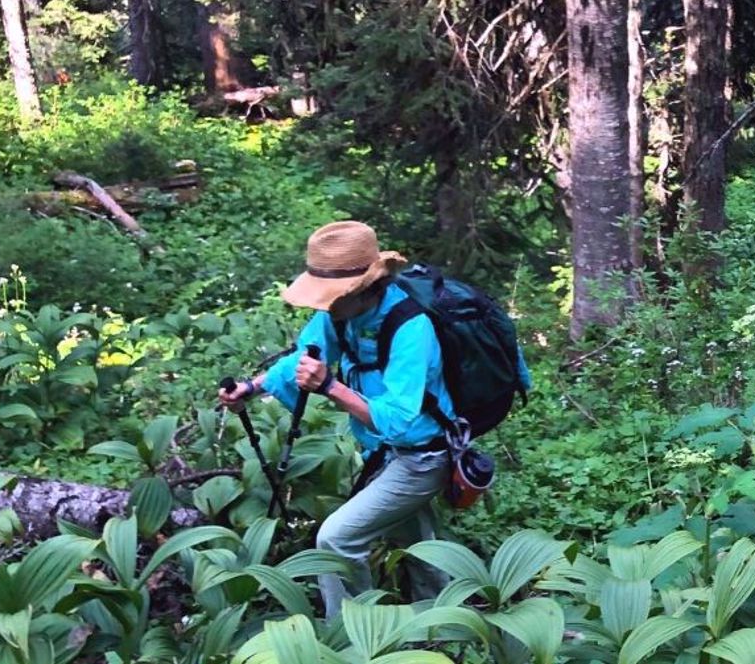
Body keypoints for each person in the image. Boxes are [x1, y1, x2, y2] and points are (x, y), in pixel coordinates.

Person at [216, 220, 533, 618]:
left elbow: (400, 420)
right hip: (384, 452)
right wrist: (252, 387)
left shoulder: (411, 327)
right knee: (416, 543)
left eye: (332, 295)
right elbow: (305, 357)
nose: (324, 305)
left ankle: (354, 637)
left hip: (422, 457)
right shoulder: (339, 314)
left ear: (366, 287)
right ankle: (444, 625)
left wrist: (331, 386)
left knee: (335, 540)